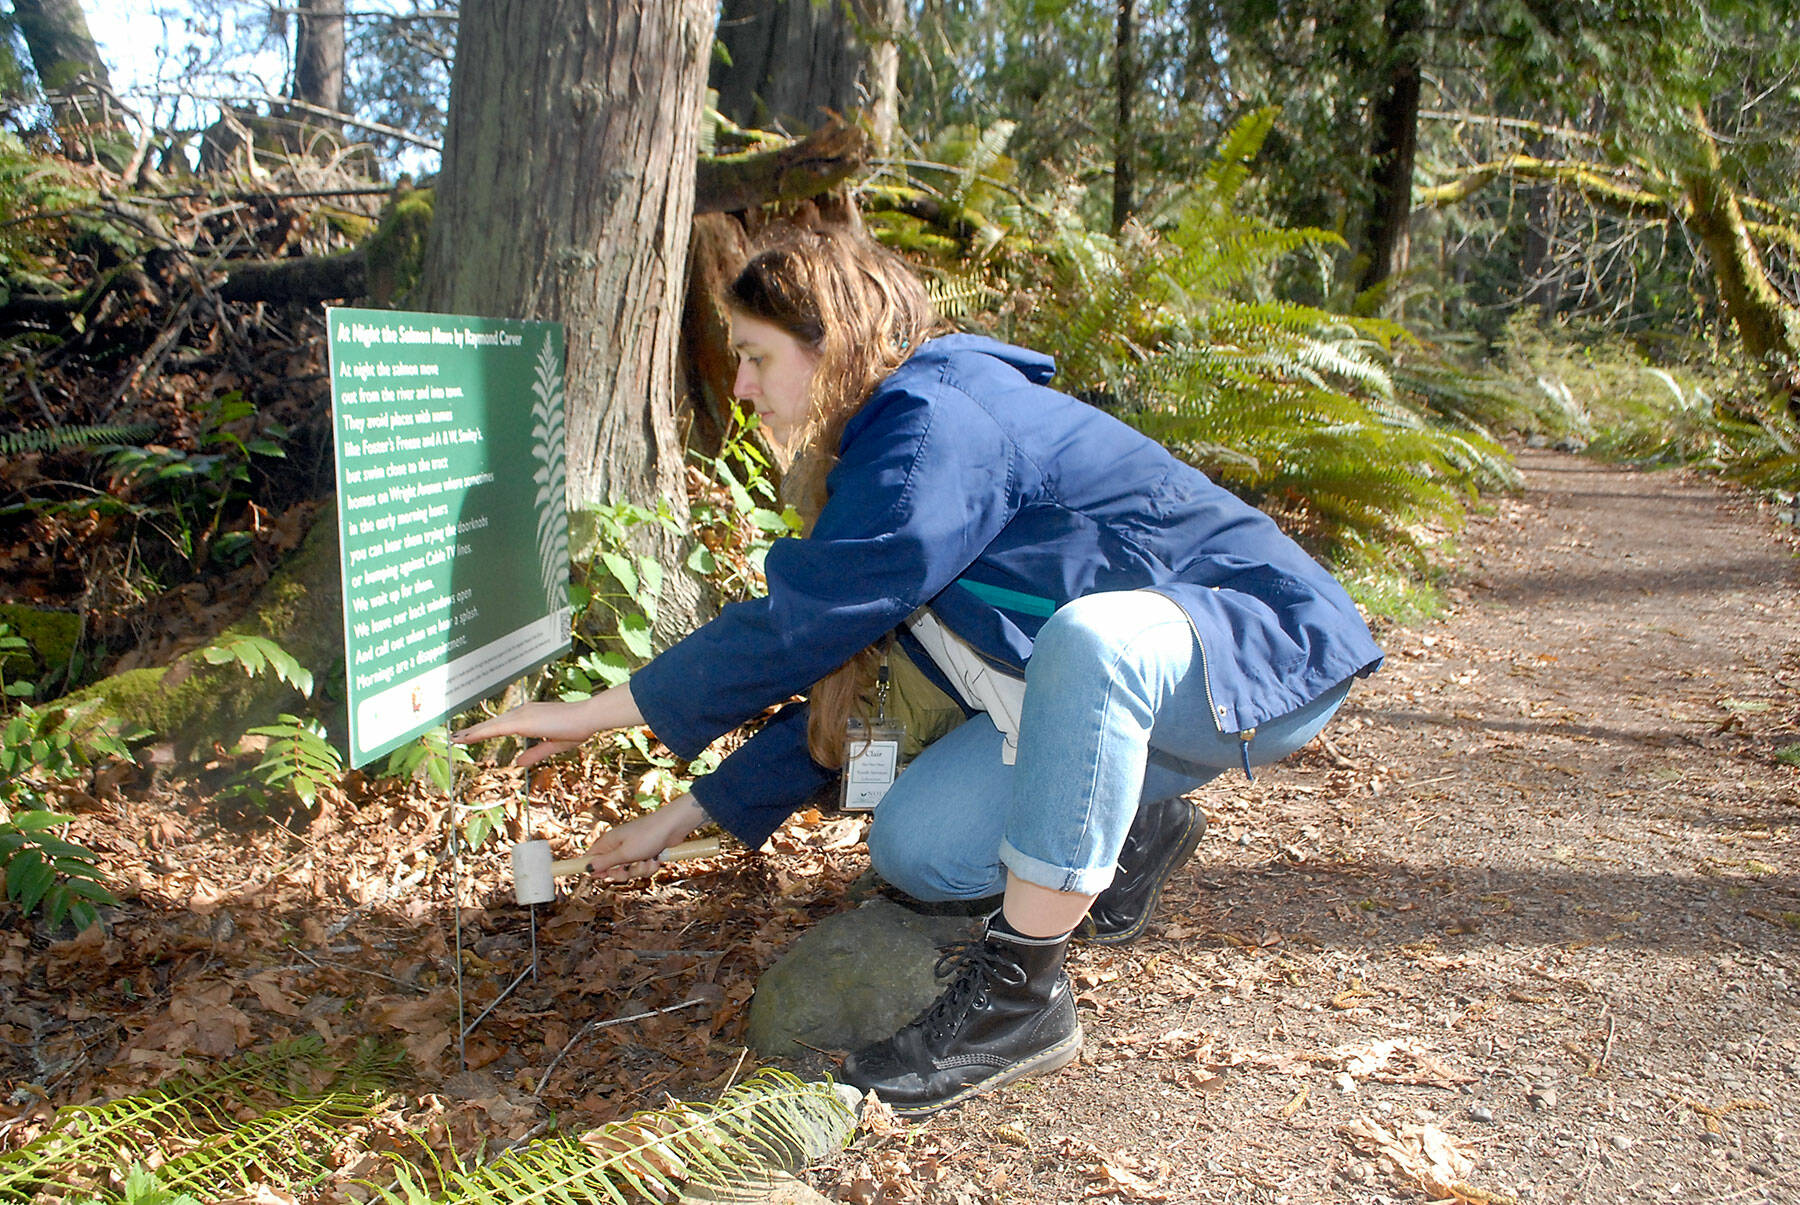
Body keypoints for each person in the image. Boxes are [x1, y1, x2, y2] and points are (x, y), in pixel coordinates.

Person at [451, 224, 1384, 1116]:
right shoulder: (889, 451)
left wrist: (606, 708)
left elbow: (803, 621)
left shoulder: (938, 422)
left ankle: (1019, 1003)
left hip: (1255, 649)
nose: (737, 384)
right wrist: (683, 813)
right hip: (1132, 707)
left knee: (1093, 642)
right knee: (917, 847)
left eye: (756, 354)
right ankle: (1139, 814)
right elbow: (860, 691)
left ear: (833, 340)